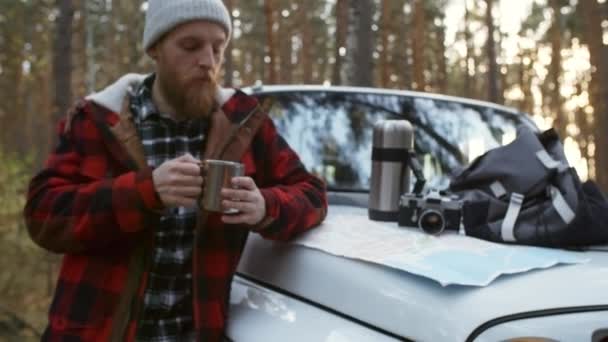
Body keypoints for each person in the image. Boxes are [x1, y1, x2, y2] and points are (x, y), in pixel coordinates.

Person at [23, 0, 328, 340]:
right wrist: (145, 192)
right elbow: (42, 214)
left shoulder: (243, 123)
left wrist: (265, 207)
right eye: (190, 46)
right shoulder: (99, 120)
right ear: (155, 48)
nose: (208, 62)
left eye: (218, 47)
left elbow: (312, 194)